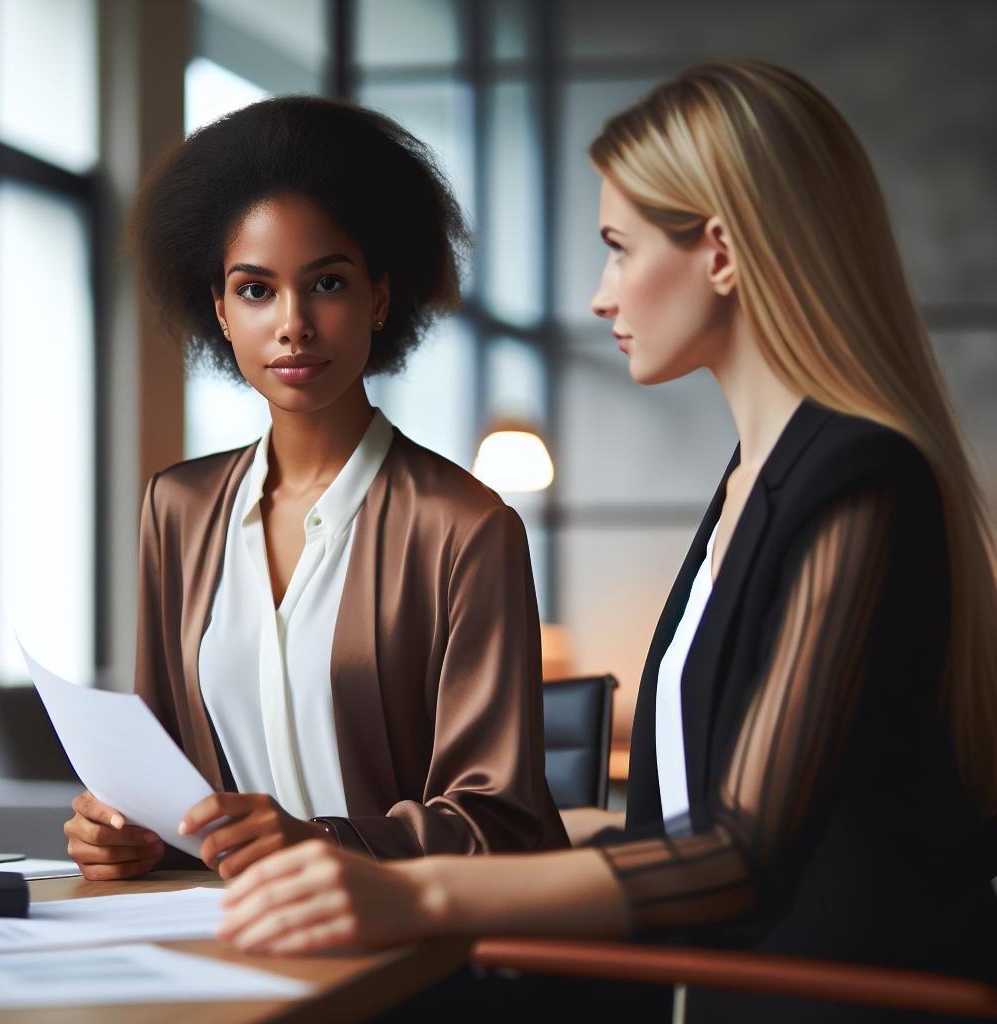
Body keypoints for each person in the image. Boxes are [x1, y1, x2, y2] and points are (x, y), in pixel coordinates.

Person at [216, 61, 997, 1022]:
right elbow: (677, 818)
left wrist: (411, 893)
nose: (600, 294)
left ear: (720, 251)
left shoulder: (859, 480)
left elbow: (739, 854)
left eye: (619, 249)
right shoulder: (755, 479)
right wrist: (370, 850)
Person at [63, 96, 567, 882]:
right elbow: (168, 783)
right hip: (226, 935)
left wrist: (319, 842)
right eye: (256, 290)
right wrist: (125, 830)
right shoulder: (179, 508)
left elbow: (504, 827)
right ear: (221, 313)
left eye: (326, 284)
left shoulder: (464, 527)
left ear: (379, 298)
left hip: (412, 954)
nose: (292, 324)